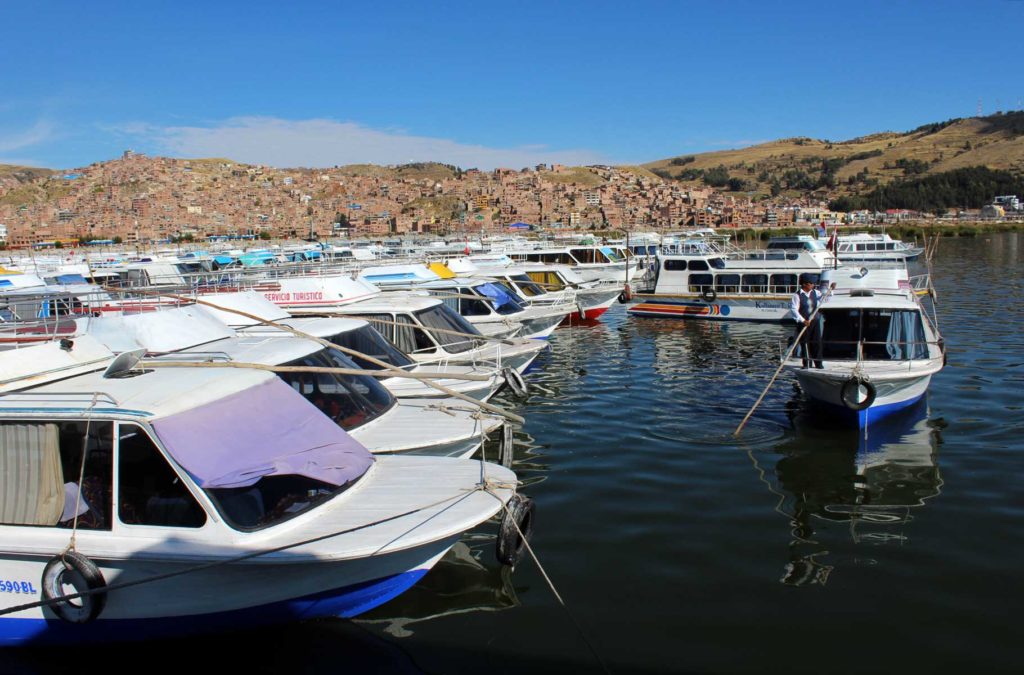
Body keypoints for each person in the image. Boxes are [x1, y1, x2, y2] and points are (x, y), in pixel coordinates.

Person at [790, 274, 833, 368]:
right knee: (805, 343)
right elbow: (794, 310)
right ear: (805, 284)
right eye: (811, 283)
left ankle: (818, 363)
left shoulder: (815, 293)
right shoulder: (797, 295)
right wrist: (802, 320)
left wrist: (830, 290)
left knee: (816, 342)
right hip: (804, 323)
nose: (813, 285)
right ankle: (807, 364)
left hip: (815, 322)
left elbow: (825, 299)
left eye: (813, 284)